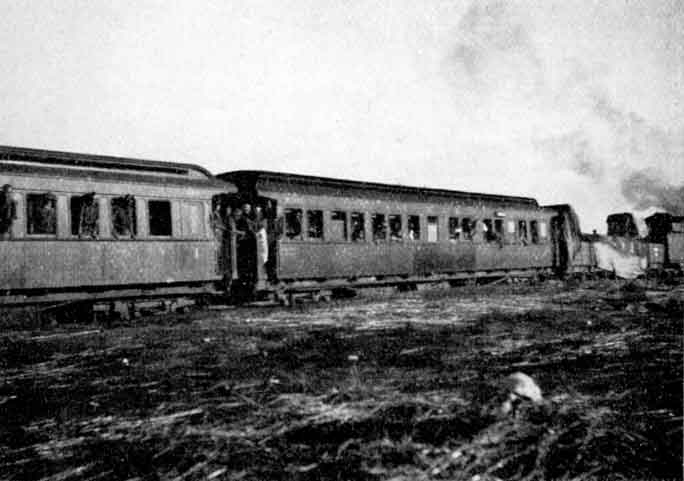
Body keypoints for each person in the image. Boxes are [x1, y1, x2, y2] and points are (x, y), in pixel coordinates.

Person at [254, 206, 269, 289]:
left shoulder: (264, 221)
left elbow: (262, 231)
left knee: (263, 260)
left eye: (259, 212)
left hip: (262, 243)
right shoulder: (256, 221)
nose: (258, 214)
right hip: (258, 244)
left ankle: (263, 281)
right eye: (256, 212)